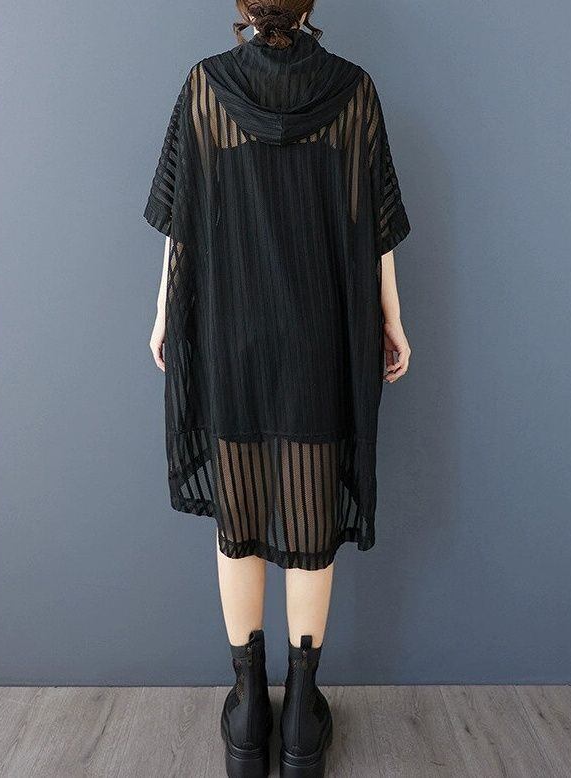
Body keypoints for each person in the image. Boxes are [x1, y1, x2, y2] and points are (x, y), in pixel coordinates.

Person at [144, 2, 411, 775]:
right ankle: (299, 719)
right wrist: (393, 319)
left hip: (231, 334)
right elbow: (375, 227)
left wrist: (163, 311)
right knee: (309, 517)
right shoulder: (353, 91)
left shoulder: (205, 88)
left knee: (240, 518)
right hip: (319, 339)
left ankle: (245, 713)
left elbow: (182, 222)